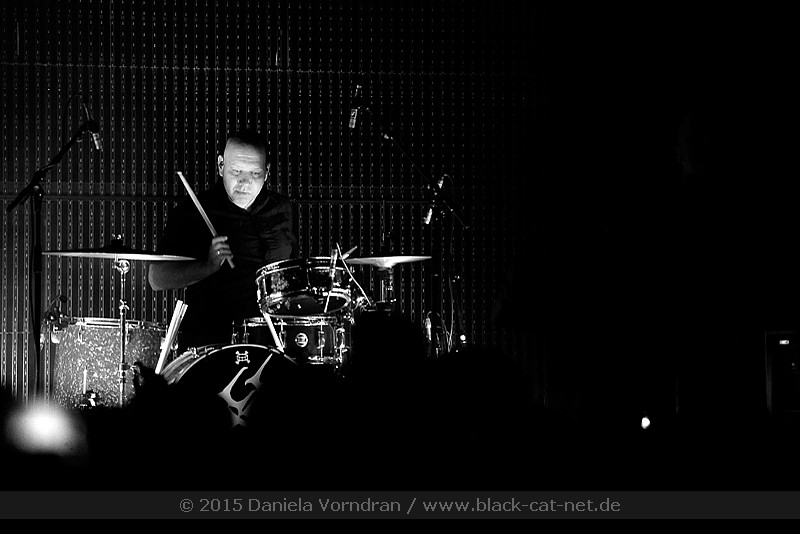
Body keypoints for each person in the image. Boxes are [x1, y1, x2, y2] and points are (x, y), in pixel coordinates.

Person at [148, 128, 298, 353]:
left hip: (271, 342)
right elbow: (156, 278)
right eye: (236, 171)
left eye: (255, 173)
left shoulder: (282, 208)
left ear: (267, 171)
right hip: (209, 342)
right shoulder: (194, 210)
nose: (245, 182)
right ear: (221, 166)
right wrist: (207, 267)